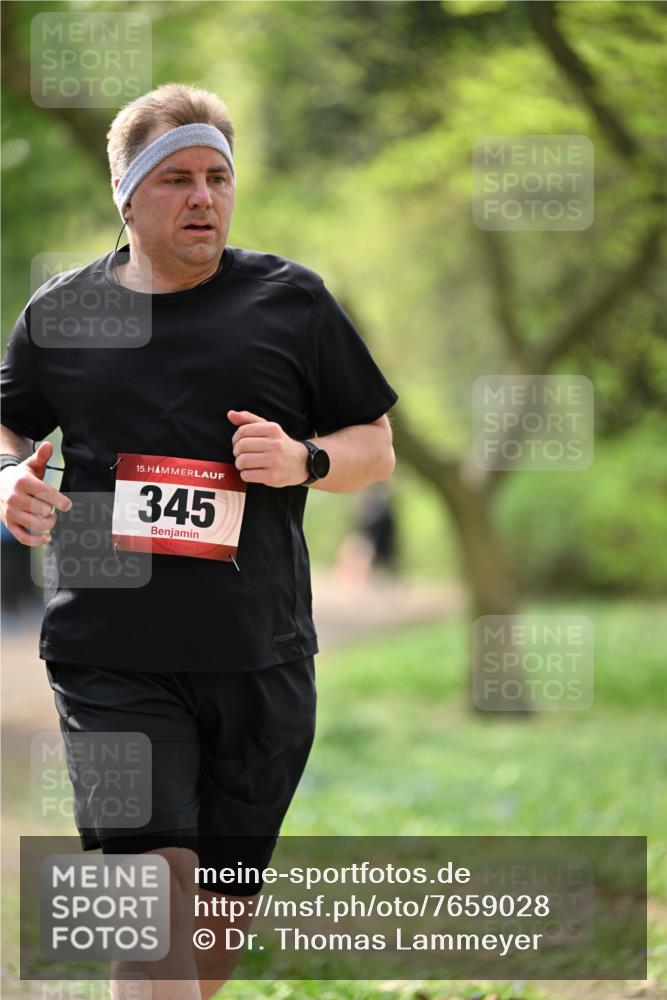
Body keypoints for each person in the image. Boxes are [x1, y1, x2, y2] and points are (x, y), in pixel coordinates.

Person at [0, 83, 398, 999]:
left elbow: (373, 446)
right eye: (175, 179)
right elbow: (7, 420)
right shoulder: (64, 315)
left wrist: (302, 459)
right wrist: (8, 475)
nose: (202, 198)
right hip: (108, 653)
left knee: (212, 925)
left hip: (257, 654)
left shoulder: (290, 302)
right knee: (145, 904)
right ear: (126, 195)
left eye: (217, 178)